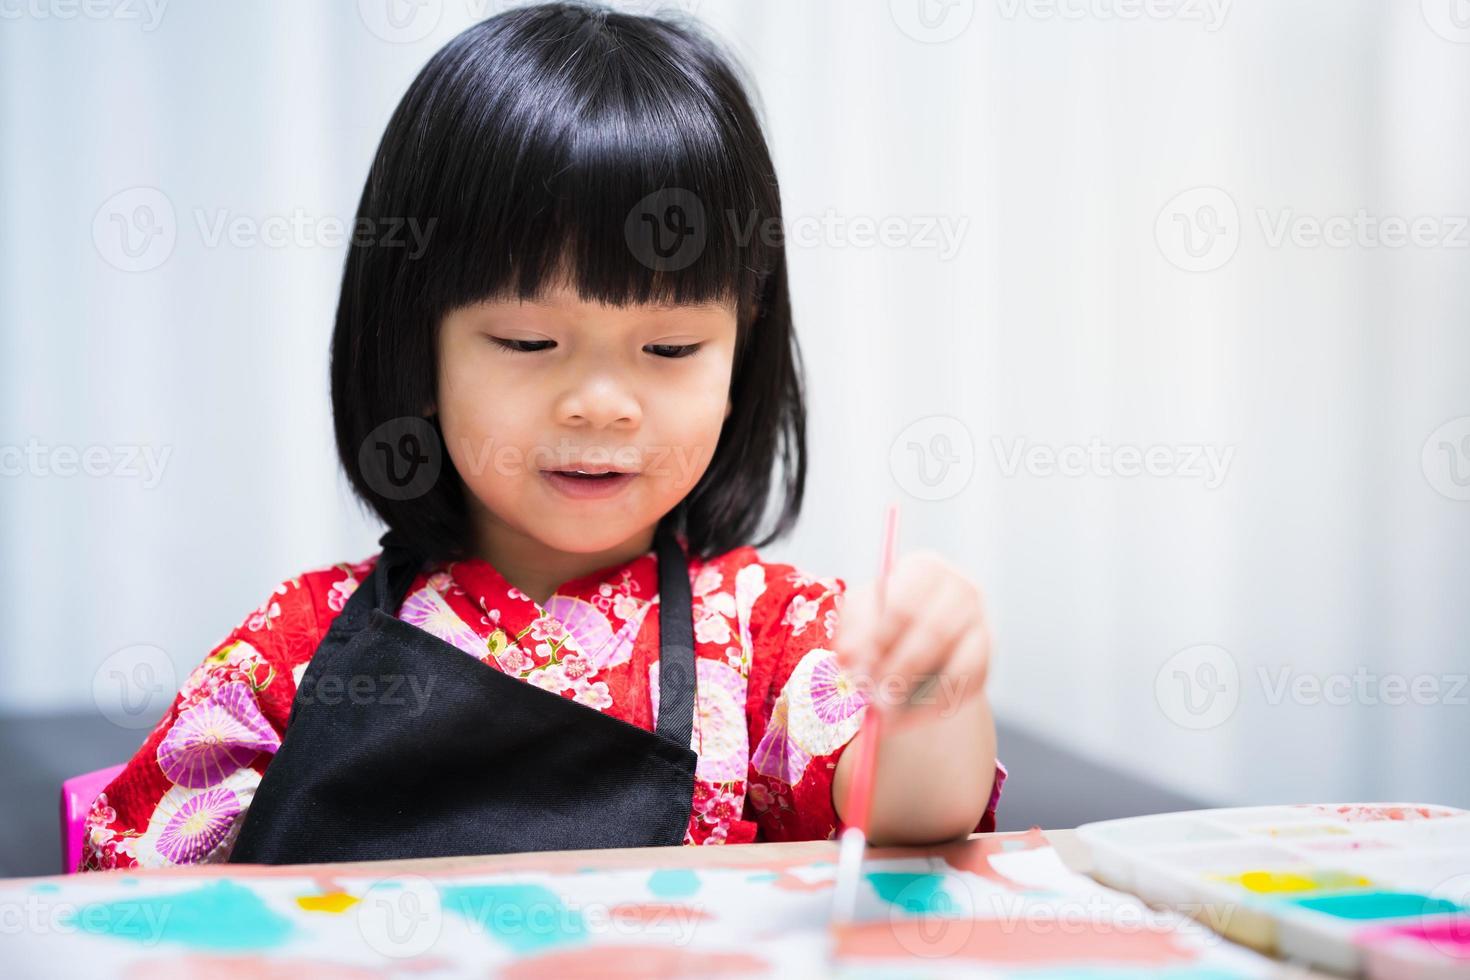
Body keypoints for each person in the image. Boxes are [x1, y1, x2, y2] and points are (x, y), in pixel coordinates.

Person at [82, 1, 1004, 871]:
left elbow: (910, 817)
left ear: (742, 348)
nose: (601, 405)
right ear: (418, 345)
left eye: (670, 347)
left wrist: (928, 697)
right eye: (528, 341)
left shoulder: (773, 636)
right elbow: (122, 900)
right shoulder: (296, 649)